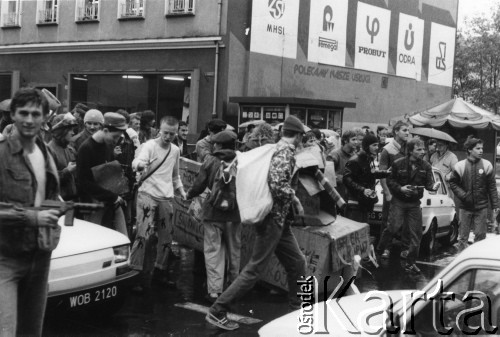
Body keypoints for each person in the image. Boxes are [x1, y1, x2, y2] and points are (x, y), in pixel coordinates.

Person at [206, 116, 307, 331]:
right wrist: (295, 199)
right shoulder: (286, 152)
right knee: (254, 270)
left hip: (278, 220)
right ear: (297, 135)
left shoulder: (274, 148)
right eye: (302, 136)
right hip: (273, 219)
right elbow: (277, 183)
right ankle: (217, 310)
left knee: (297, 264)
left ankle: (297, 311)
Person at [0, 88, 61, 336]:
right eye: (23, 112)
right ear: (12, 114)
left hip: (40, 258)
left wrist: (57, 211)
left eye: (35, 114)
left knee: (31, 332)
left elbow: (50, 195)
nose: (29, 119)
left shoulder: (46, 152)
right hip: (6, 259)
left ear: (45, 117)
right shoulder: (2, 154)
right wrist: (33, 217)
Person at [130, 116, 186, 292]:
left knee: (166, 236)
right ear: (159, 130)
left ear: (176, 133)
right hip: (148, 193)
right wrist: (140, 165)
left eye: (172, 133)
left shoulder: (175, 150)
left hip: (166, 196)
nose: (168, 137)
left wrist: (183, 193)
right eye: (165, 133)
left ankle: (160, 271)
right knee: (143, 235)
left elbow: (175, 175)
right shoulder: (149, 146)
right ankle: (135, 274)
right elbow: (137, 163)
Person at [186, 130, 241, 303]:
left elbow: (199, 185)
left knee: (213, 251)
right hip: (235, 213)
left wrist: (188, 195)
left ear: (218, 145)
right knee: (234, 252)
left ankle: (214, 292)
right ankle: (233, 289)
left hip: (213, 212)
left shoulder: (210, 160)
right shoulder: (242, 160)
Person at [378, 138, 437, 273]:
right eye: (419, 149)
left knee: (416, 234)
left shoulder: (426, 166)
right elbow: (389, 180)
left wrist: (434, 187)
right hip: (398, 201)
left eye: (423, 149)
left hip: (414, 203)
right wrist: (400, 189)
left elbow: (429, 185)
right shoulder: (398, 164)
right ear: (410, 151)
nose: (422, 152)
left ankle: (411, 263)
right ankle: (379, 250)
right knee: (392, 228)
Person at [76, 112, 128, 236]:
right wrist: (112, 197)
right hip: (92, 205)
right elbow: (83, 182)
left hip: (110, 201)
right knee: (93, 240)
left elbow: (108, 173)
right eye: (115, 137)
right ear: (105, 130)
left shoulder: (107, 145)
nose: (116, 141)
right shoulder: (86, 148)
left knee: (122, 236)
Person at [449, 136, 498, 251]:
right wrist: (463, 195)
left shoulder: (487, 165)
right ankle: (463, 263)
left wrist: (495, 206)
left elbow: (492, 187)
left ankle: (476, 262)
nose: (481, 151)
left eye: (482, 148)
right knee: (462, 238)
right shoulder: (460, 165)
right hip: (465, 207)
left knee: (480, 237)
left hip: (481, 207)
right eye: (478, 148)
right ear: (469, 150)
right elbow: (453, 183)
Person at [377, 121, 409, 258]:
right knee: (388, 221)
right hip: (391, 191)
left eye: (408, 130)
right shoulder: (387, 149)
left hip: (406, 190)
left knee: (406, 221)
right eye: (404, 130)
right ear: (396, 131)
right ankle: (385, 248)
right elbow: (382, 174)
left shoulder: (409, 148)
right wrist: (387, 193)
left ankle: (405, 248)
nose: (407, 133)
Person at [343, 134, 390, 224]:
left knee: (363, 228)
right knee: (355, 229)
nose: (377, 147)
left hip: (365, 201)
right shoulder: (355, 160)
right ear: (366, 146)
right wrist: (363, 190)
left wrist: (386, 173)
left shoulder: (368, 159)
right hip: (355, 203)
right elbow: (346, 179)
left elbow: (370, 174)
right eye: (374, 145)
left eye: (377, 145)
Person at [47, 113, 78, 201]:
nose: (73, 133)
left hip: (70, 201)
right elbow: (48, 180)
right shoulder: (49, 150)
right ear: (61, 131)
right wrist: (66, 171)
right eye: (70, 130)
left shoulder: (69, 149)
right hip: (57, 204)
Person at [326, 128, 363, 200]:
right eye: (353, 139)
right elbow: (328, 176)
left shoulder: (355, 155)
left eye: (357, 140)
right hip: (337, 194)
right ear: (345, 141)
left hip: (350, 194)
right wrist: (343, 178)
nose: (356, 142)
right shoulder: (334, 155)